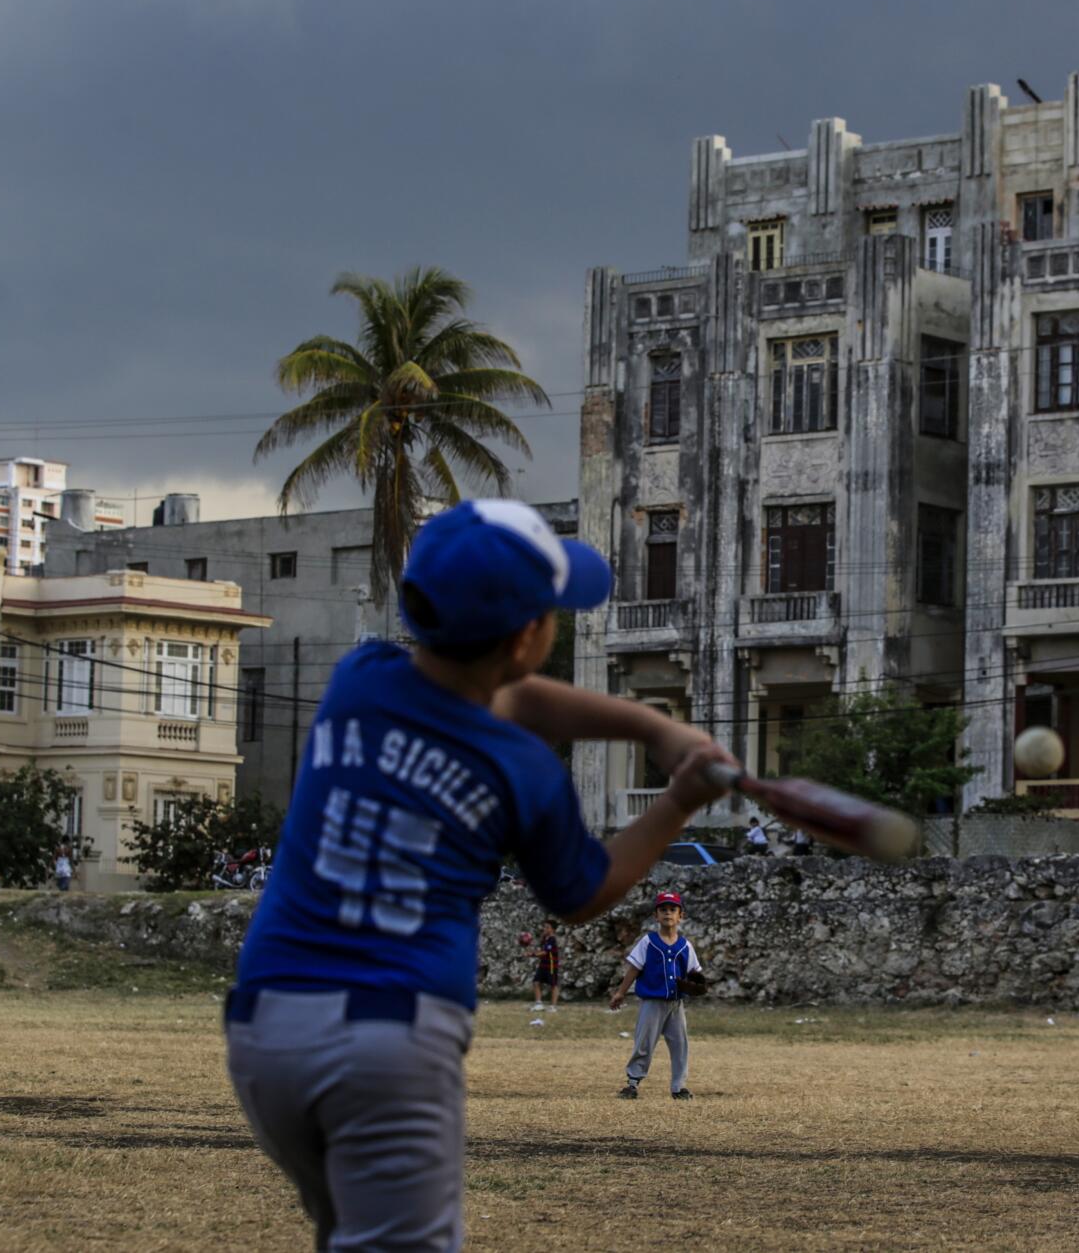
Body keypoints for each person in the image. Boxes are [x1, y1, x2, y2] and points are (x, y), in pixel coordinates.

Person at [223, 500, 733, 1250]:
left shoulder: (360, 681)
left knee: (351, 1230)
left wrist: (650, 726)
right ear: (528, 636)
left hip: (265, 1028)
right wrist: (679, 800)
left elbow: (503, 692)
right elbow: (583, 891)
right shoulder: (521, 768)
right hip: (387, 1042)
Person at [608, 891, 702, 1099]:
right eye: (663, 910)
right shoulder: (648, 942)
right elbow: (634, 968)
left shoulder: (685, 946)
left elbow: (694, 972)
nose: (668, 913)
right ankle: (632, 1083)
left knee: (680, 1045)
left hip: (676, 1005)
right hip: (652, 1002)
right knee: (644, 1042)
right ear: (655, 916)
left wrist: (697, 985)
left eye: (673, 909)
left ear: (681, 916)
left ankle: (679, 1086)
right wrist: (621, 992)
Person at [530, 919, 561, 1012]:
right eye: (544, 927)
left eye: (547, 927)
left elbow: (545, 952)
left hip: (551, 965)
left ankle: (553, 1006)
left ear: (553, 929)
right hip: (543, 964)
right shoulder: (545, 939)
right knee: (536, 982)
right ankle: (539, 1004)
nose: (545, 929)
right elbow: (541, 950)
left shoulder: (552, 939)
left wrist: (532, 954)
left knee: (553, 985)